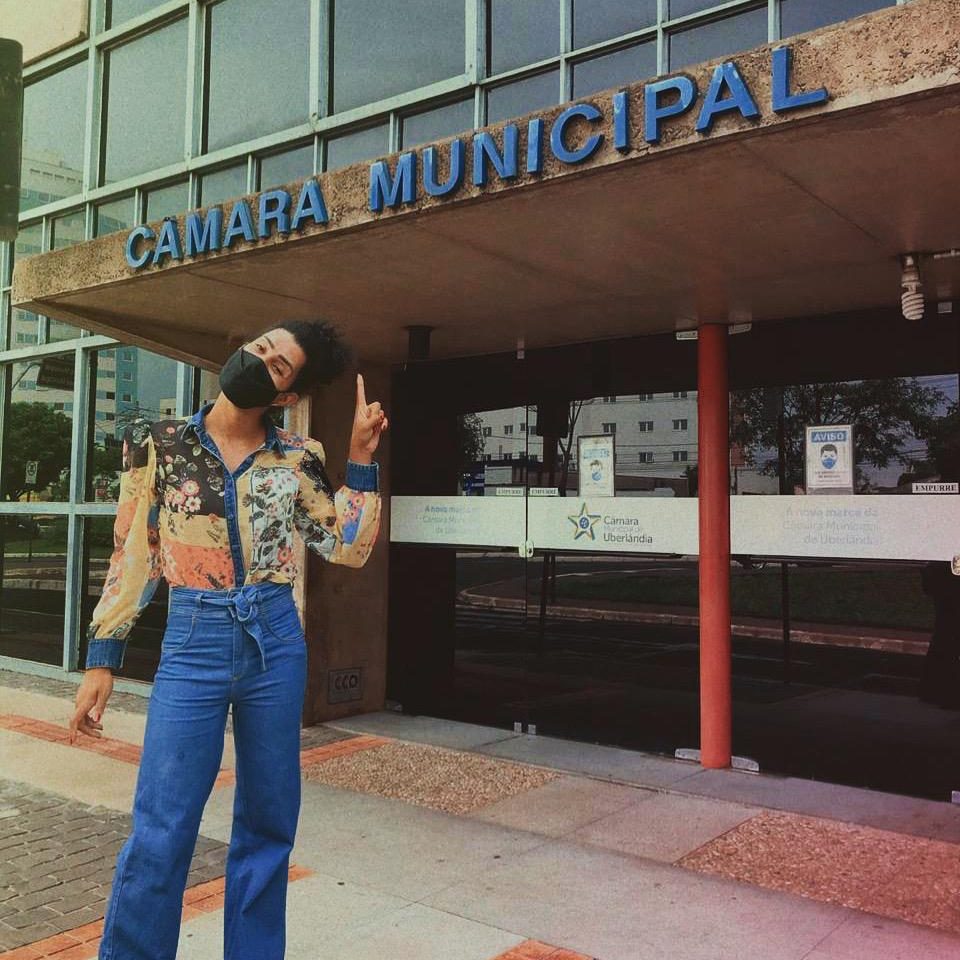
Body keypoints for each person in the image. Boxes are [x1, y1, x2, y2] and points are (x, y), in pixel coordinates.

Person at [68, 319, 387, 959]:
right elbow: (134, 553)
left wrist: (359, 458)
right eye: (261, 347)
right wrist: (103, 658)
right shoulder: (157, 442)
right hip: (193, 639)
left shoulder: (297, 458)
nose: (259, 358)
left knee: (268, 828)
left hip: (274, 641)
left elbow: (344, 547)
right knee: (162, 825)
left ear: (286, 396)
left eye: (277, 365)